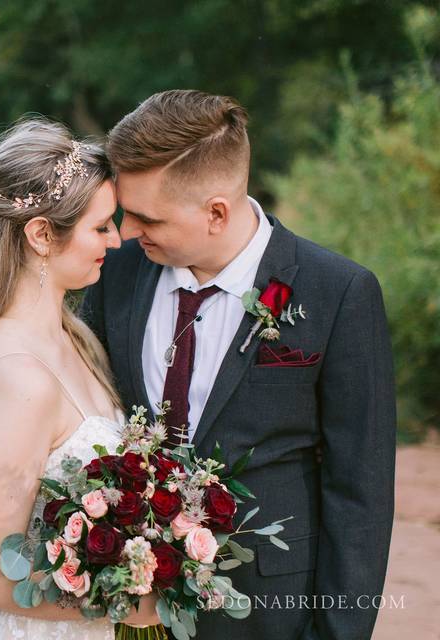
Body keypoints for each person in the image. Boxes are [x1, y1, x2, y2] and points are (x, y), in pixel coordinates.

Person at [81, 90, 396, 639]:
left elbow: (360, 491)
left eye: (146, 217)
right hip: (124, 607)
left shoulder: (338, 292)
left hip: (269, 611)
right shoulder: (117, 274)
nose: (126, 232)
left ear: (216, 212)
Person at [0, 119, 161, 638]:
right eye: (100, 227)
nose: (116, 240)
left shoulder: (75, 339)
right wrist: (129, 603)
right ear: (40, 235)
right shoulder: (18, 376)